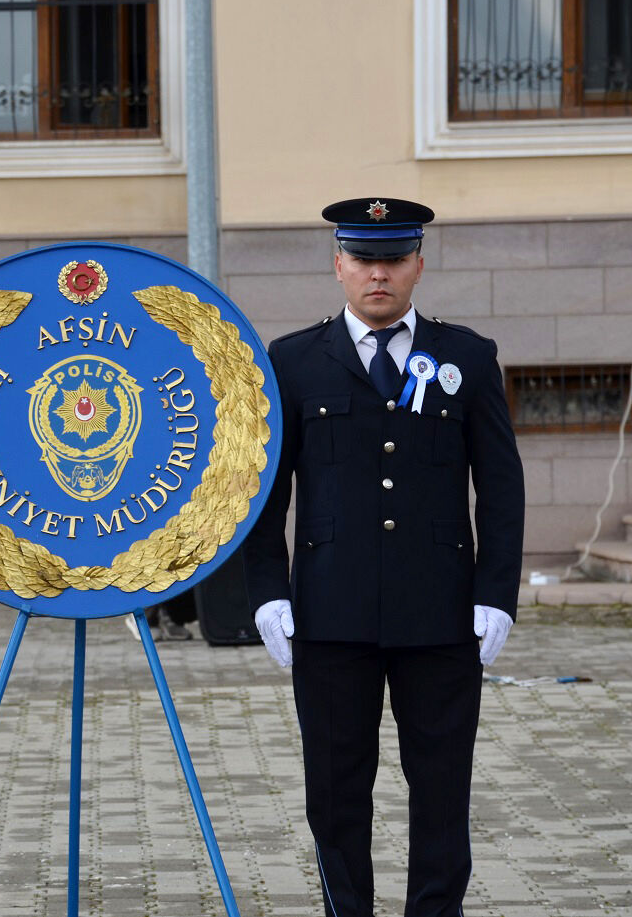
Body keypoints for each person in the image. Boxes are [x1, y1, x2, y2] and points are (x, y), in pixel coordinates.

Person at [242, 197, 524, 917]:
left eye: (394, 259)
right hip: (331, 616)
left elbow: (499, 485)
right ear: (337, 264)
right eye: (363, 259)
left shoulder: (466, 357)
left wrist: (496, 592)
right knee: (334, 793)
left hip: (440, 615)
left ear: (418, 266)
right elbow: (264, 492)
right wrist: (268, 590)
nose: (378, 274)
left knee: (440, 788)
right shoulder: (294, 360)